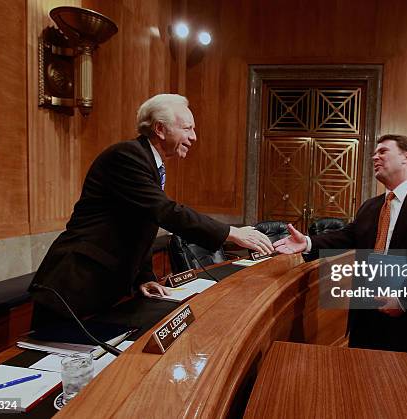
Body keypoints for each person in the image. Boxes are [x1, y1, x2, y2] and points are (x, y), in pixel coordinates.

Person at [30, 94, 273, 327]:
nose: (194, 137)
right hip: (73, 286)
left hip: (98, 288)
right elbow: (164, 211)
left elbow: (140, 222)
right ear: (159, 129)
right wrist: (231, 233)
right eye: (187, 128)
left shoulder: (149, 161)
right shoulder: (127, 156)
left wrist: (144, 277)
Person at [274, 134, 407, 367]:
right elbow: (347, 237)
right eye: (375, 153)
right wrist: (307, 242)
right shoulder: (371, 206)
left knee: (404, 394)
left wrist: (405, 300)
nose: (374, 157)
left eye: (383, 151)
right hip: (366, 317)